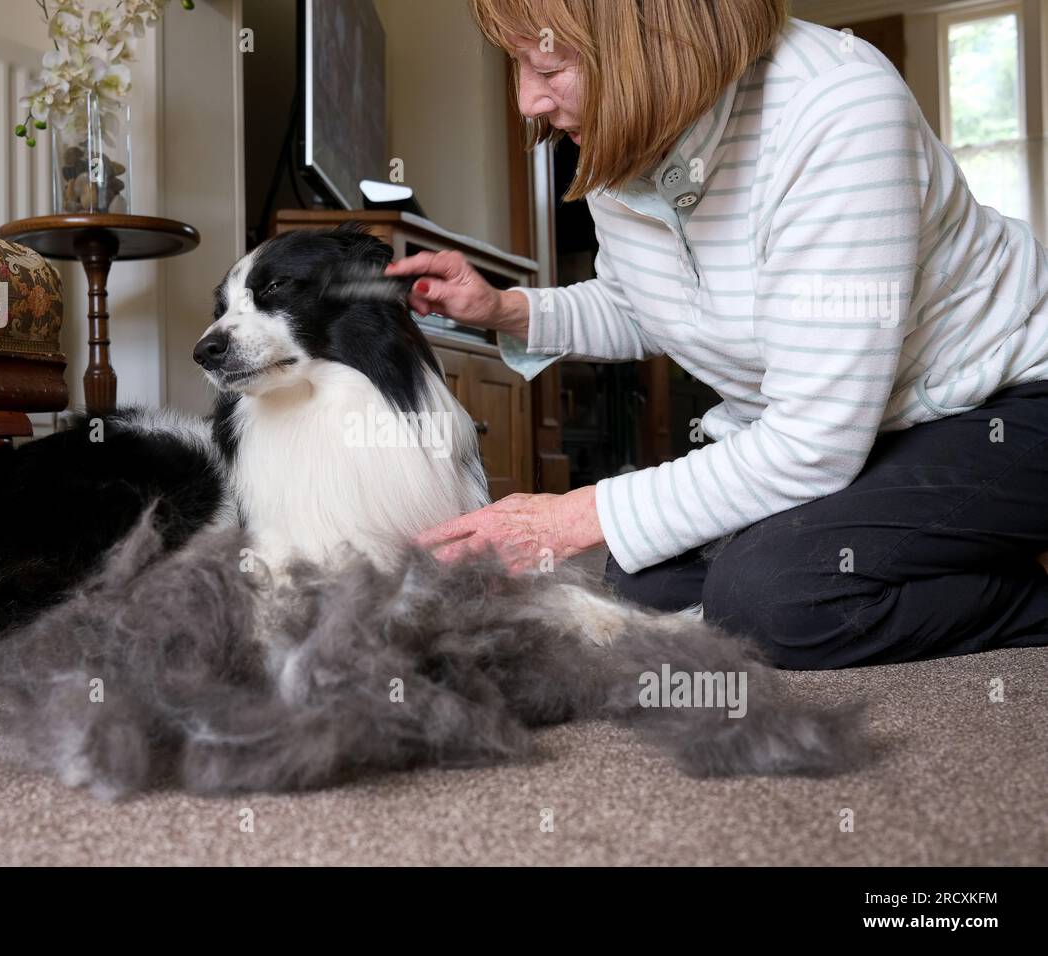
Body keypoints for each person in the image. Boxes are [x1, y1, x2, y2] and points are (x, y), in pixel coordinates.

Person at [387, 0, 1048, 669]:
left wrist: (567, 520)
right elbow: (642, 307)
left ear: (655, 43)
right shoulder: (625, 143)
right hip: (865, 428)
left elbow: (813, 443)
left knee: (774, 599)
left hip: (1003, 407)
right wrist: (502, 309)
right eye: (519, 65)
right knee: (646, 583)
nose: (529, 100)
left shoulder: (839, 110)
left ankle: (1028, 585)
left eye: (549, 64)